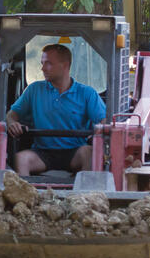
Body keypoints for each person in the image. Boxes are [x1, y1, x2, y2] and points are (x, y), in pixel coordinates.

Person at [6, 44, 106, 176]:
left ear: (65, 65)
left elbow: (104, 121)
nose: (42, 68)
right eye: (42, 63)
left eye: (48, 64)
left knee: (91, 154)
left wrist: (99, 131)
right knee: (21, 159)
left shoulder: (87, 93)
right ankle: (24, 194)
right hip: (42, 153)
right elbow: (11, 115)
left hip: (74, 152)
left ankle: (84, 194)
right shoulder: (34, 90)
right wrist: (12, 123)